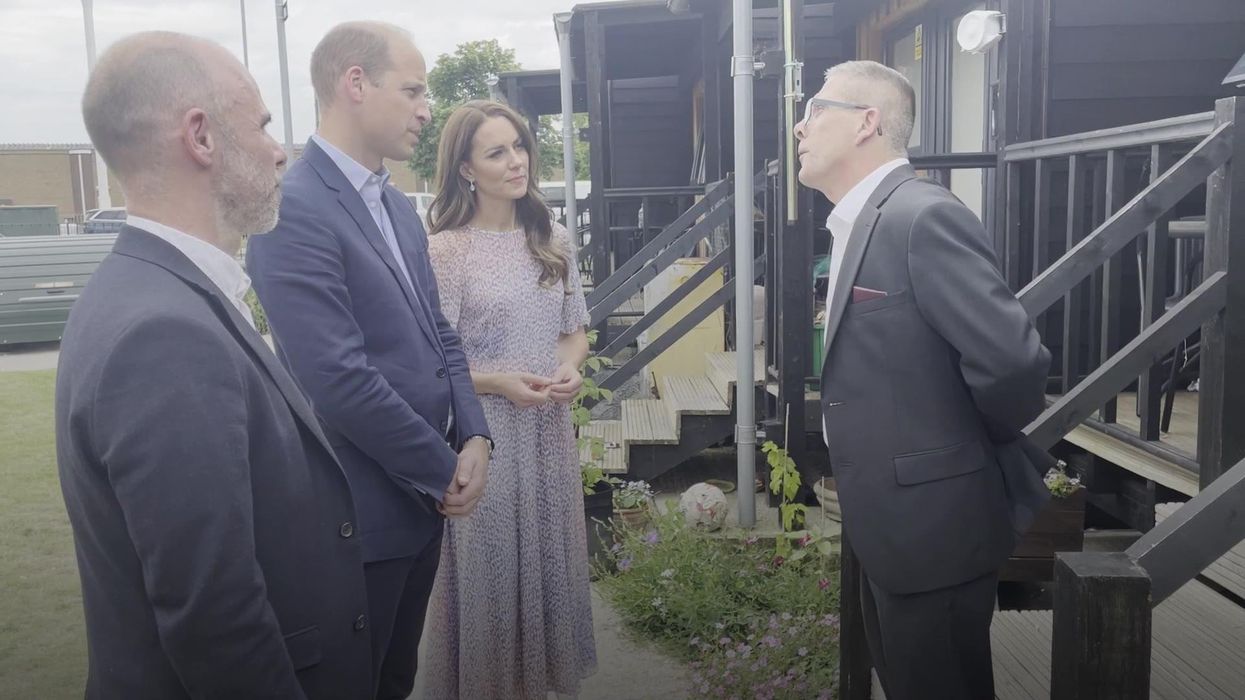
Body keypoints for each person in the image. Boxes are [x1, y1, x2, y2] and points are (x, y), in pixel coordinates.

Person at [56, 31, 372, 699]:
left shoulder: (144, 289)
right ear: (201, 137)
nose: (278, 149)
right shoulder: (163, 332)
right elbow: (215, 618)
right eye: (259, 124)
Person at [245, 22, 492, 700]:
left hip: (417, 505)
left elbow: (438, 331)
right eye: (412, 90)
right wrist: (443, 468)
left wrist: (474, 433)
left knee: (394, 678)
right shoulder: (292, 209)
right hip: (357, 514)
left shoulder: (394, 204)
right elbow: (337, 380)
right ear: (355, 83)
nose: (426, 108)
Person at [794, 60, 1052, 700]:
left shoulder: (921, 217)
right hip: (895, 527)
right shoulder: (865, 220)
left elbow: (1014, 363)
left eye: (815, 108)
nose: (800, 126)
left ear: (867, 123)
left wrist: (966, 444)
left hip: (933, 527)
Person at [419, 100, 597, 699]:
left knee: (548, 570)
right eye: (497, 152)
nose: (516, 161)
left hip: (547, 432)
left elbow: (575, 331)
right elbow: (429, 362)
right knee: (489, 579)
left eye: (519, 146)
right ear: (466, 168)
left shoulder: (554, 237)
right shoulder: (445, 251)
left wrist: (569, 369)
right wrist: (498, 382)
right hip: (482, 435)